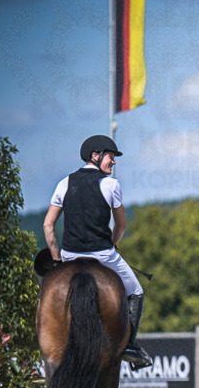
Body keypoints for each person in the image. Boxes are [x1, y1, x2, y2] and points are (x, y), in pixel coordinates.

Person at [42, 135, 152, 370]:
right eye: (111, 157)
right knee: (137, 292)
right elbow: (121, 226)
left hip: (70, 256)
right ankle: (130, 345)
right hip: (103, 255)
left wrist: (57, 259)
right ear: (96, 155)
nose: (114, 162)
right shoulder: (111, 185)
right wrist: (111, 246)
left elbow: (48, 226)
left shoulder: (64, 183)